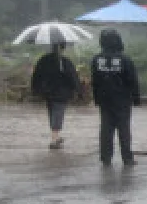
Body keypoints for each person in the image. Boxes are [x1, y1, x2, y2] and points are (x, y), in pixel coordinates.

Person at [90, 28, 140, 167]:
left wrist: (96, 98)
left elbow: (94, 80)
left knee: (106, 128)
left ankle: (105, 157)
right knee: (124, 129)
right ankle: (127, 158)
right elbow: (132, 80)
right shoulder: (125, 59)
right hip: (122, 100)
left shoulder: (96, 59)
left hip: (104, 100)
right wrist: (136, 98)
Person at [31, 40, 80, 150]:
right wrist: (78, 90)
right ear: (62, 48)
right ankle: (54, 139)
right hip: (61, 93)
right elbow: (73, 77)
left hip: (47, 92)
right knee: (58, 113)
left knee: (53, 112)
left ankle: (55, 136)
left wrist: (35, 89)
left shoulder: (44, 60)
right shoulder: (65, 61)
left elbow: (36, 75)